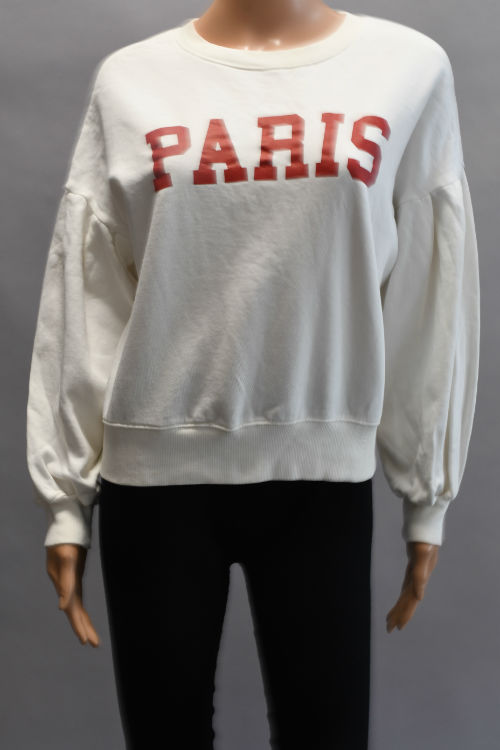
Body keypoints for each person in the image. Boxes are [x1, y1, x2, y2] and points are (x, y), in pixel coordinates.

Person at [26, 1, 480, 748]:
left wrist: (427, 493)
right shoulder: (131, 80)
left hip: (320, 480)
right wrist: (66, 500)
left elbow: (431, 285)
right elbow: (89, 287)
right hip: (155, 488)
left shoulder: (407, 69)